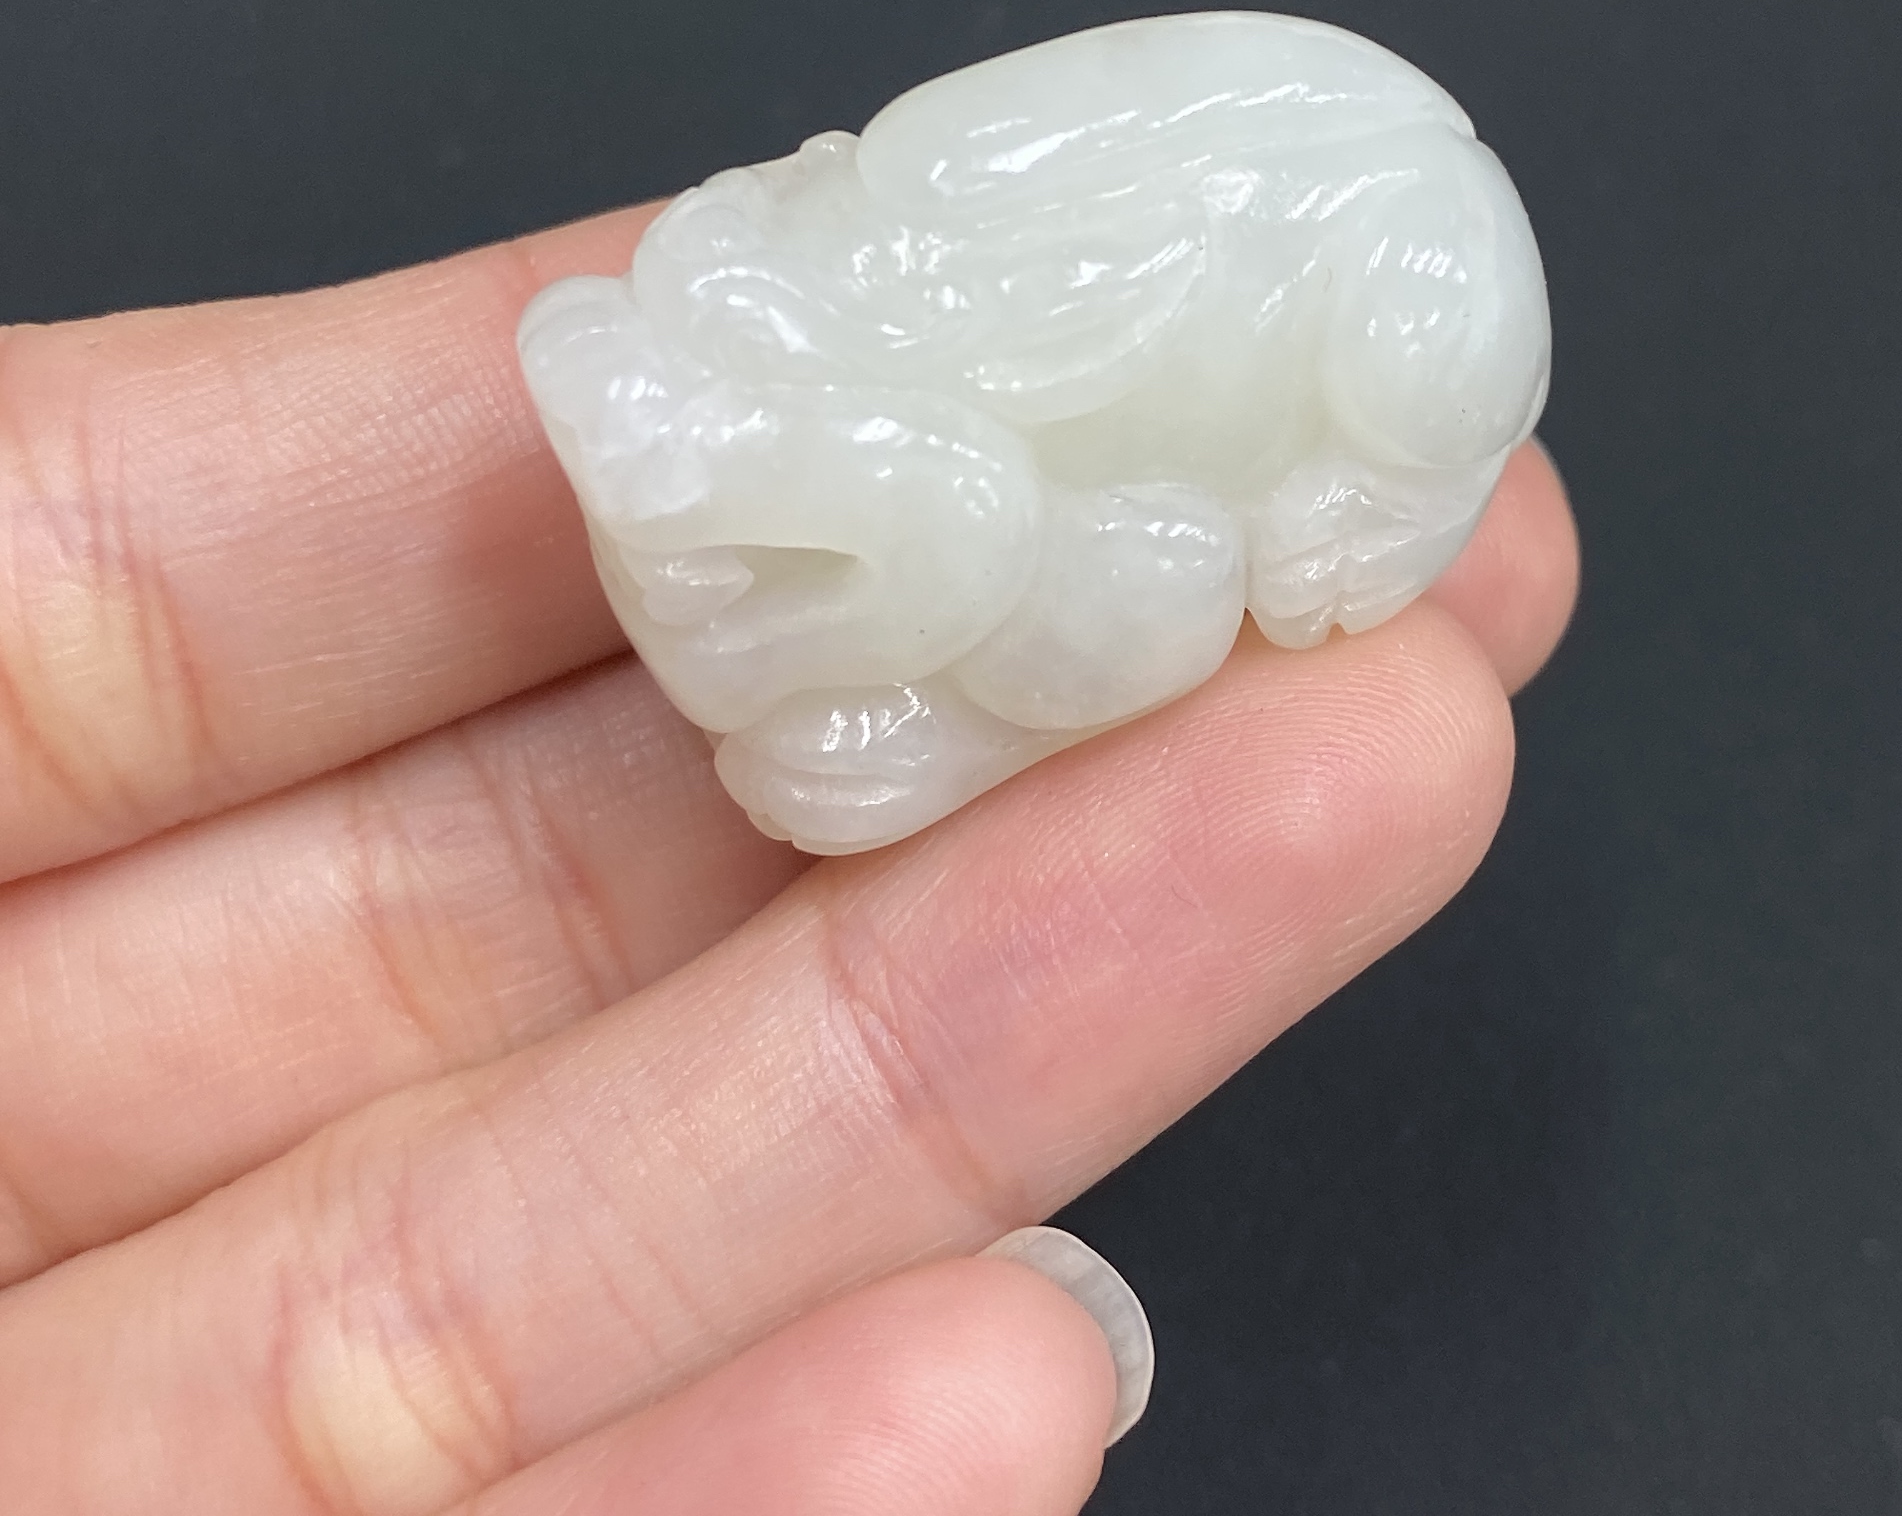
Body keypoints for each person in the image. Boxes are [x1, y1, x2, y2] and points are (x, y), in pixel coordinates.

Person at [0, 202, 1578, 1514]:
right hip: (896, 420)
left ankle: (776, 558)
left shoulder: (1185, 449)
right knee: (975, 531)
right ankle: (761, 532)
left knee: (1054, 558)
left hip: (949, 504)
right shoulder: (981, 314)